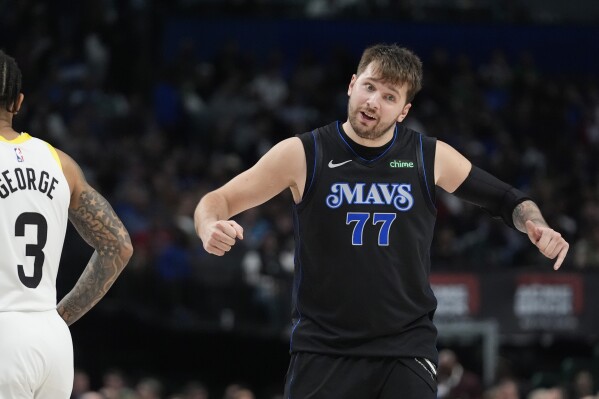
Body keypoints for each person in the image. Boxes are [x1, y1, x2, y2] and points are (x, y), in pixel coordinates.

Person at [194, 43, 569, 399]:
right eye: (369, 87)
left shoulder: (428, 156)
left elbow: (507, 199)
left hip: (405, 348)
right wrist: (209, 226)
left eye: (390, 97)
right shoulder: (304, 153)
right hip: (323, 348)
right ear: (351, 86)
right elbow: (218, 200)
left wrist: (534, 224)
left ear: (403, 111)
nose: (374, 102)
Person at [0, 50, 133, 398]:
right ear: (19, 102)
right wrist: (60, 316)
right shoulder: (60, 162)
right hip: (53, 341)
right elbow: (119, 246)